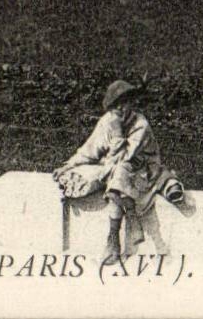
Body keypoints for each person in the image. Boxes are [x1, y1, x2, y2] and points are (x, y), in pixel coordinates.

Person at [54, 79, 184, 263]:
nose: (121, 108)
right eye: (116, 105)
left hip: (145, 170)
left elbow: (125, 156)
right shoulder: (108, 121)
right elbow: (90, 149)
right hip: (120, 173)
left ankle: (113, 241)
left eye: (125, 102)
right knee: (118, 175)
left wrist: (117, 133)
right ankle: (127, 231)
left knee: (119, 173)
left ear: (131, 103)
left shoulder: (140, 124)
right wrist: (68, 165)